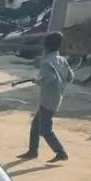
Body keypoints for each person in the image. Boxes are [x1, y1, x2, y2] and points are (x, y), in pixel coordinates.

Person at [18, 31, 74, 163]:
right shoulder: (62, 60)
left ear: (46, 46)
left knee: (45, 130)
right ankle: (33, 151)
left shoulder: (46, 62)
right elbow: (71, 77)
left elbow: (50, 79)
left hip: (48, 100)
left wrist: (38, 81)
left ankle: (60, 152)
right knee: (36, 125)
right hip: (56, 98)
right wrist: (61, 85)